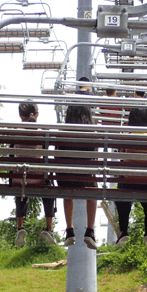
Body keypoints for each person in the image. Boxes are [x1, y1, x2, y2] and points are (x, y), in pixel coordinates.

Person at [12, 102, 56, 246]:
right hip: (39, 179)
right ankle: (49, 228)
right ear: (37, 114)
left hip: (19, 178)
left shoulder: (15, 131)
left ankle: (20, 227)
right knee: (48, 187)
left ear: (20, 116)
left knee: (21, 185)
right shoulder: (42, 132)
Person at [115, 108, 147, 248]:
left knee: (122, 197)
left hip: (129, 180)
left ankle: (123, 230)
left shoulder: (126, 135)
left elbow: (121, 156)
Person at [57, 104, 99, 249]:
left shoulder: (62, 132)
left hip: (66, 179)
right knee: (93, 189)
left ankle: (69, 229)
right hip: (86, 178)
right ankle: (90, 229)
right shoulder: (92, 132)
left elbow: (57, 155)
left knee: (67, 188)